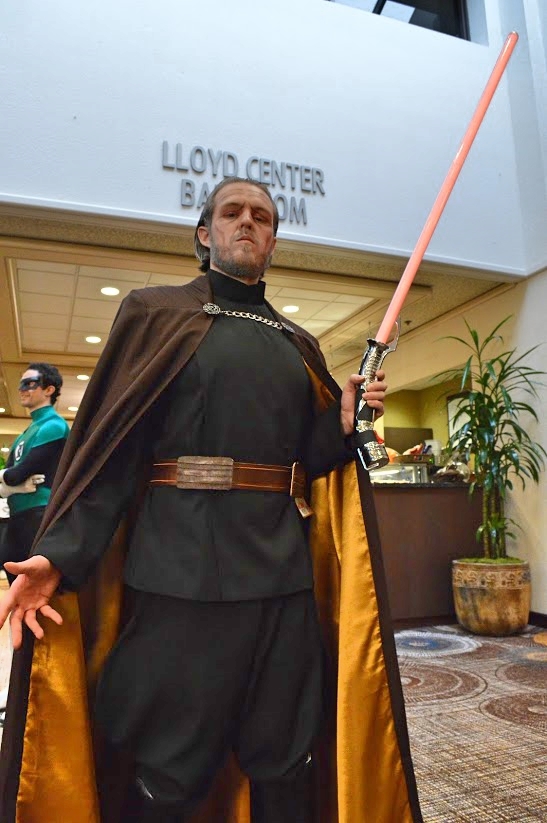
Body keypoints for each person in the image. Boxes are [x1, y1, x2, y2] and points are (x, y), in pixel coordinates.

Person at [0, 179, 422, 823]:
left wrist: (339, 424)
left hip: (282, 577)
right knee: (171, 764)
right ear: (205, 234)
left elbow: (302, 463)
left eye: (262, 217)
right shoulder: (155, 314)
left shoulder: (297, 344)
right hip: (179, 575)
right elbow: (111, 452)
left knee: (286, 756)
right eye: (232, 212)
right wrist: (59, 554)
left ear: (273, 242)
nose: (248, 222)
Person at [0, 363, 69, 584]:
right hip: (17, 517)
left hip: (39, 516)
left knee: (37, 590)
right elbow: (9, 480)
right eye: (21, 384)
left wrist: (13, 482)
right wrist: (17, 484)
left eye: (29, 383)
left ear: (49, 389)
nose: (22, 389)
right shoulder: (26, 433)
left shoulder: (54, 426)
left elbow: (16, 475)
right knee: (15, 584)